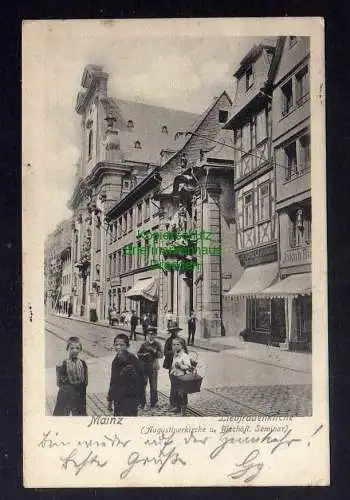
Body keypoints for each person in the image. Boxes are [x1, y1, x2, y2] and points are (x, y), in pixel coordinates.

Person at [107, 333, 144, 417]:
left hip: (131, 397)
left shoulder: (133, 359)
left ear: (127, 346)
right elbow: (113, 380)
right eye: (116, 345)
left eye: (122, 345)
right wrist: (110, 400)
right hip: (118, 398)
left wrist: (141, 399)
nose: (118, 347)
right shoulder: (115, 361)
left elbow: (141, 379)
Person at [53, 336, 88, 416]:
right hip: (66, 395)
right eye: (72, 348)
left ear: (80, 349)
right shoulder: (62, 364)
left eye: (77, 348)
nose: (75, 351)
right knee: (61, 417)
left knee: (80, 417)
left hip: (79, 395)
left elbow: (85, 382)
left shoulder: (83, 364)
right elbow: (59, 383)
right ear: (67, 349)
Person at [137, 327, 163, 408]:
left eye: (152, 334)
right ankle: (142, 402)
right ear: (147, 335)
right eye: (149, 334)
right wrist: (143, 355)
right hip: (144, 366)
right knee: (142, 385)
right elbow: (138, 354)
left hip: (153, 366)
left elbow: (161, 355)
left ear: (155, 335)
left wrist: (154, 351)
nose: (150, 336)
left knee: (153, 386)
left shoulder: (158, 344)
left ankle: (153, 402)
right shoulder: (144, 344)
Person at [163, 325, 188, 410]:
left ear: (178, 331)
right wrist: (173, 352)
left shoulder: (182, 341)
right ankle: (174, 404)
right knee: (174, 385)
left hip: (181, 367)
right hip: (172, 366)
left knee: (182, 386)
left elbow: (186, 352)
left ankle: (182, 404)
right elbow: (165, 352)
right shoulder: (168, 341)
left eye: (176, 331)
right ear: (170, 332)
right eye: (172, 331)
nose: (174, 332)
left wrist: (182, 353)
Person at [170, 338, 192, 415]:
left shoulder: (185, 356)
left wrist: (181, 366)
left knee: (182, 393)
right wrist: (172, 372)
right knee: (175, 392)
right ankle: (177, 407)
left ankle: (183, 409)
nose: (175, 346)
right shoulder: (175, 354)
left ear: (182, 346)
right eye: (173, 345)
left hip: (182, 377)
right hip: (175, 375)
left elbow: (188, 366)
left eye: (177, 344)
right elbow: (173, 364)